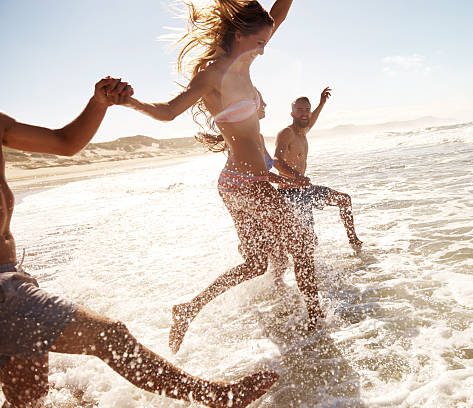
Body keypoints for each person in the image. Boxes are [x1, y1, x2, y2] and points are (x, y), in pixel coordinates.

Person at [0, 78, 277, 408]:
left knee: (27, 397)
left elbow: (65, 142)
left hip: (10, 273)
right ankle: (218, 398)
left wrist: (98, 103)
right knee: (108, 335)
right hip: (4, 291)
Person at [120, 0, 324, 354]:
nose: (264, 49)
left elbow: (278, 15)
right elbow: (168, 111)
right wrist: (128, 102)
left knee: (256, 263)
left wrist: (277, 173)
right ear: (241, 34)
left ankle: (188, 309)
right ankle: (317, 322)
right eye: (259, 42)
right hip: (243, 184)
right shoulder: (213, 74)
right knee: (302, 242)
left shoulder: (246, 60)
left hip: (245, 182)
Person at [273, 87, 363, 260]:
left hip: (305, 190)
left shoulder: (303, 132)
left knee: (344, 200)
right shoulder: (287, 132)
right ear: (292, 114)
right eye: (300, 110)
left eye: (307, 109)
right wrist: (297, 177)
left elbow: (311, 119)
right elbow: (276, 160)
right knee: (309, 242)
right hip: (289, 194)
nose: (305, 113)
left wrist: (322, 102)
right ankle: (294, 266)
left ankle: (354, 242)